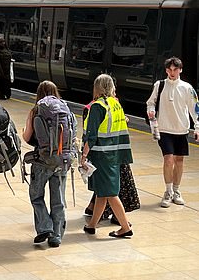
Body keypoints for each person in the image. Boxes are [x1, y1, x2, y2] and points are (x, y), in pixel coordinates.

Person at [22, 81, 73, 248]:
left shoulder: (36, 110)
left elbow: (27, 136)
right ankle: (56, 236)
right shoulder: (65, 109)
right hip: (62, 160)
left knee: (36, 196)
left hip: (42, 161)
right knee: (58, 199)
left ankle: (45, 227)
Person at [82, 74, 133, 238]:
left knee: (110, 193)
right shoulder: (115, 105)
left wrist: (83, 155)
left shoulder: (98, 106)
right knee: (102, 191)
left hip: (102, 155)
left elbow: (92, 135)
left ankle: (125, 227)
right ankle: (92, 225)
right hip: (115, 154)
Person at [146, 56, 199, 207]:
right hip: (164, 129)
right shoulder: (160, 85)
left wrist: (197, 127)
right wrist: (151, 112)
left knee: (179, 161)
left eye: (175, 69)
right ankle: (168, 192)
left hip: (181, 130)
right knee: (168, 159)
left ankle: (177, 191)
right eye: (169, 69)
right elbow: (151, 102)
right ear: (166, 70)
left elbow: (195, 109)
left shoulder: (187, 88)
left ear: (180, 70)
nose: (172, 72)